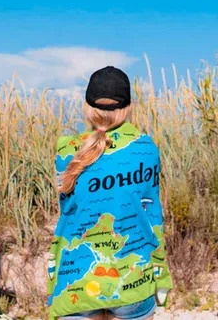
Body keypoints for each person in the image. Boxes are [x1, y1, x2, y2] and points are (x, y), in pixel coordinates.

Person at [47, 67, 172, 320]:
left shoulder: (67, 150)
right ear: (127, 107)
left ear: (87, 106)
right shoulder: (147, 148)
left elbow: (69, 208)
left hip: (77, 277)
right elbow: (151, 209)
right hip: (133, 277)